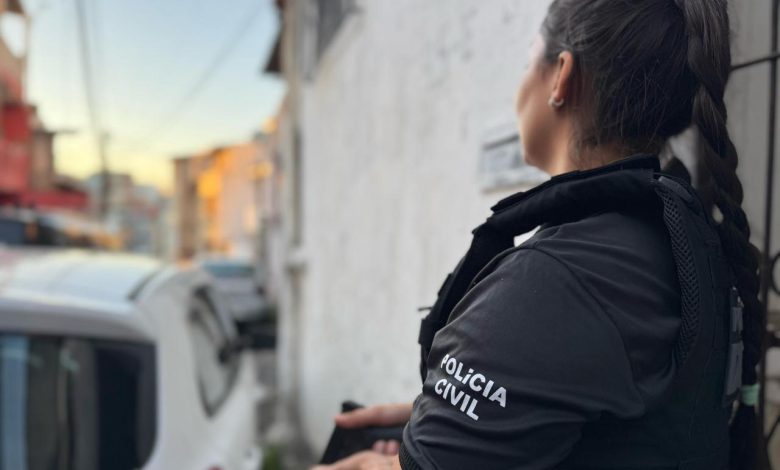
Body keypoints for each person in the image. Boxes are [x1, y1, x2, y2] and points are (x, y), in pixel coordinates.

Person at [314, 0, 763, 468]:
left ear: (561, 76)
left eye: (529, 60)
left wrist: (373, 462)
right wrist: (449, 424)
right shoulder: (672, 243)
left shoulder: (559, 279)